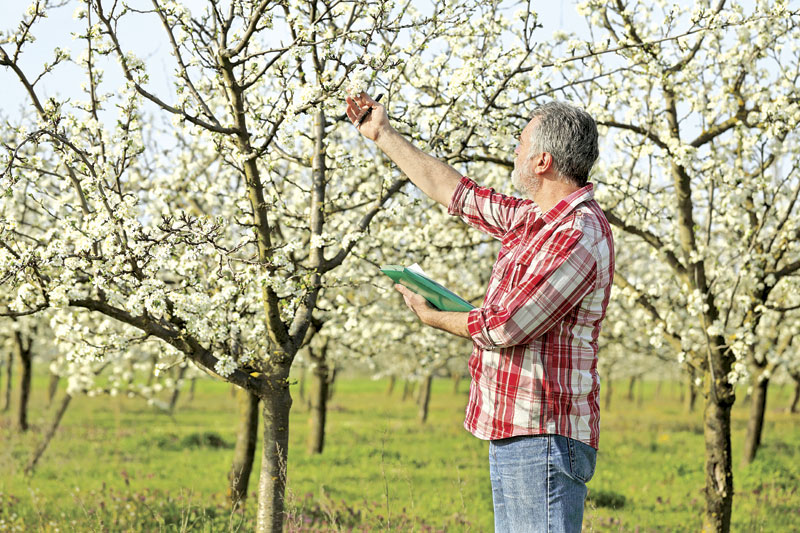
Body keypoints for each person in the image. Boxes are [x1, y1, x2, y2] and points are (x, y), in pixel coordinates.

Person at [345, 91, 614, 533]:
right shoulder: (535, 218)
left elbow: (507, 325)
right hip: (515, 428)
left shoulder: (578, 234)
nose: (515, 151)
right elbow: (457, 193)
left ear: (542, 160)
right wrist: (383, 136)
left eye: (521, 143)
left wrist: (437, 316)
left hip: (543, 433)